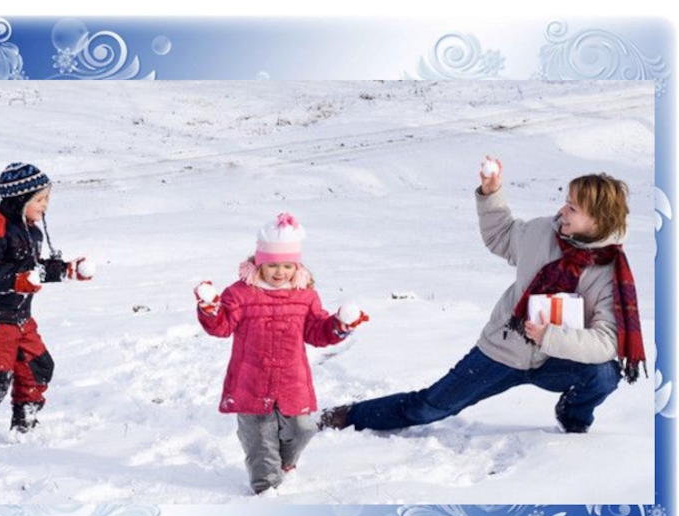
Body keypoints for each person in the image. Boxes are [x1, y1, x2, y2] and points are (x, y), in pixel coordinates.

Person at [319, 158, 645, 434]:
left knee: (604, 374)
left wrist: (549, 337)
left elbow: (607, 341)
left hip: (555, 361)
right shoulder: (542, 232)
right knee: (428, 407)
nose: (562, 211)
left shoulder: (610, 273)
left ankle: (572, 419)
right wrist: (491, 194)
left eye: (572, 208)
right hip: (503, 350)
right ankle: (349, 415)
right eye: (566, 202)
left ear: (598, 221)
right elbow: (502, 236)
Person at [195, 213, 369, 494]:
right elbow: (222, 326)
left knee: (303, 429)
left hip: (291, 380)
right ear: (259, 263)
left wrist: (338, 326)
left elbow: (316, 331)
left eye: (287, 265)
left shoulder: (305, 296)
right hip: (251, 381)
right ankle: (267, 490)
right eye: (272, 265)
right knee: (261, 441)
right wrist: (211, 310)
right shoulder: (240, 294)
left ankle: (286, 464)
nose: (280, 272)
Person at [0, 162, 94, 437]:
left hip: (21, 319)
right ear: (20, 199)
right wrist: (16, 280)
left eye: (46, 198)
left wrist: (66, 270)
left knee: (38, 367)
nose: (45, 206)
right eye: (39, 200)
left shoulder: (31, 231)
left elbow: (32, 270)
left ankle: (24, 421)